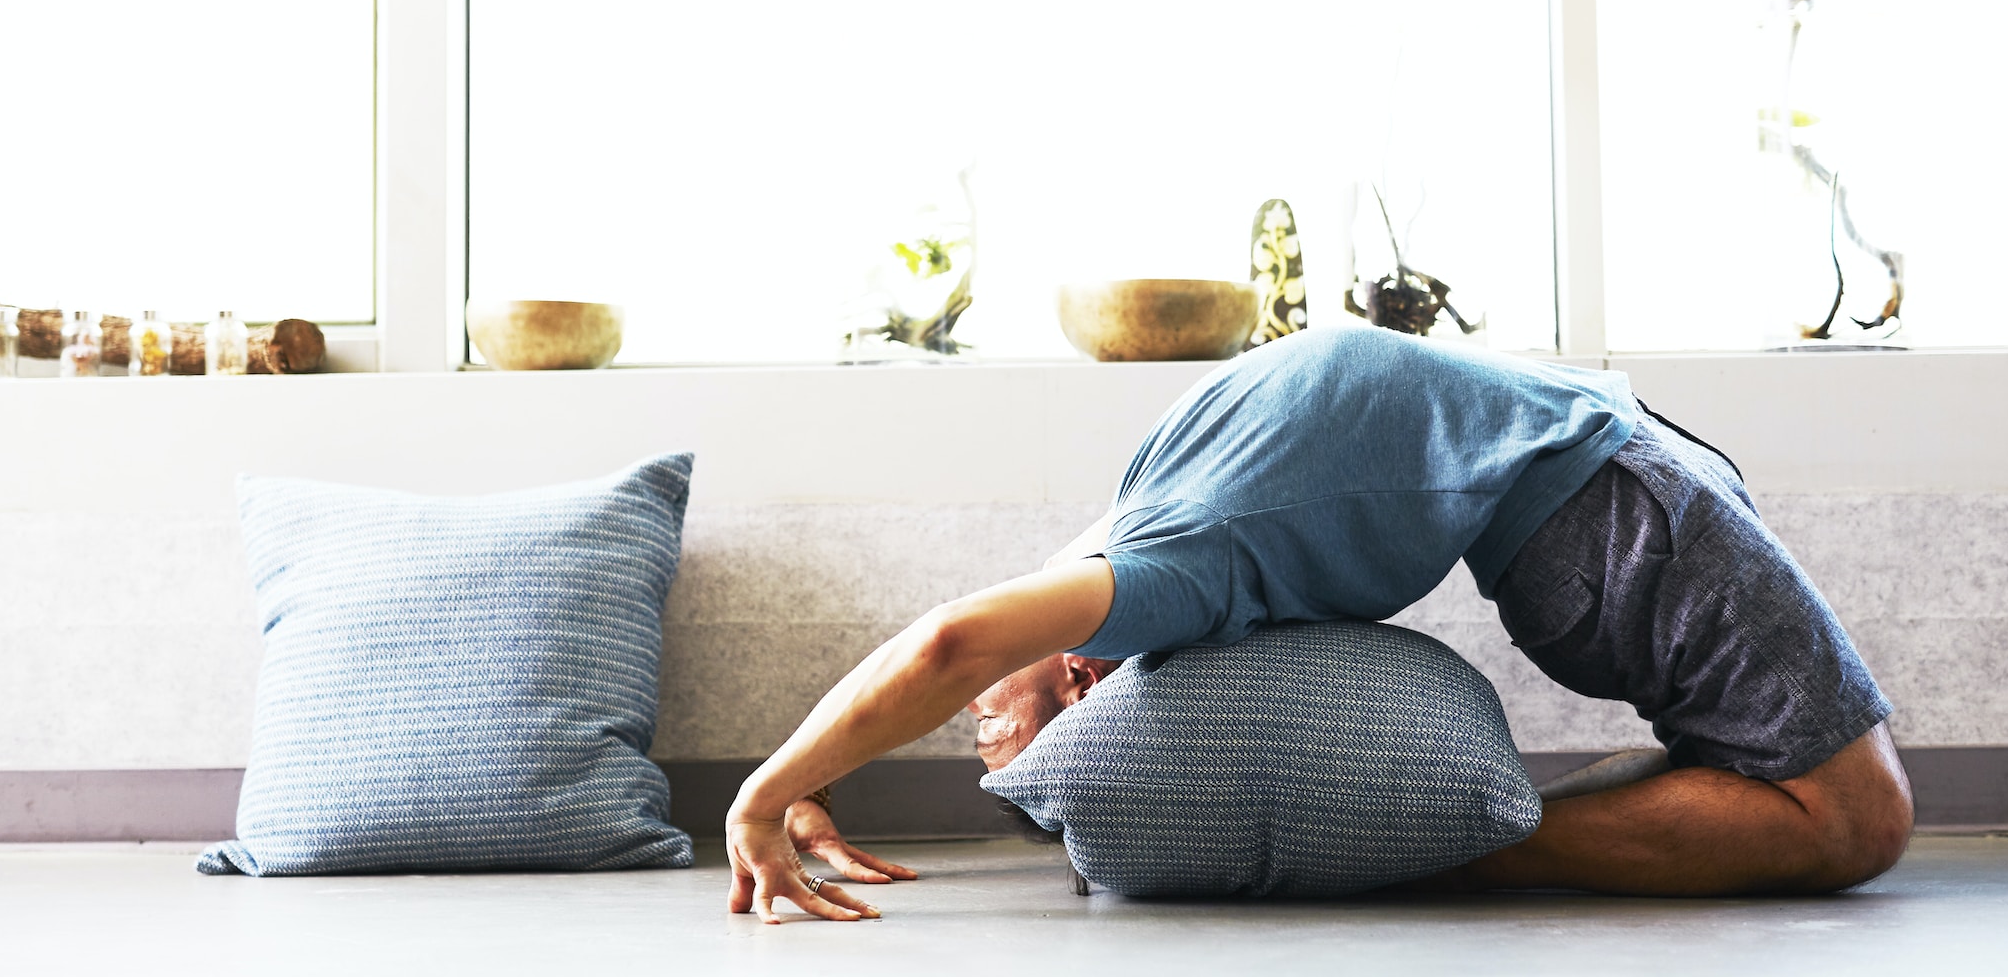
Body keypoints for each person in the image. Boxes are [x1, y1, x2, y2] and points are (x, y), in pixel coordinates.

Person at [726, 327, 1912, 923]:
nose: (975, 722)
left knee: (1839, 813)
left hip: (1610, 500)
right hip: (1606, 497)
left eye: (988, 728)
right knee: (1844, 811)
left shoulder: (1160, 556)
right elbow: (959, 650)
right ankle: (1470, 845)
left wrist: (766, 789)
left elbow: (946, 645)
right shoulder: (1151, 517)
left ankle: (1473, 848)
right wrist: (813, 772)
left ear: (1082, 676)